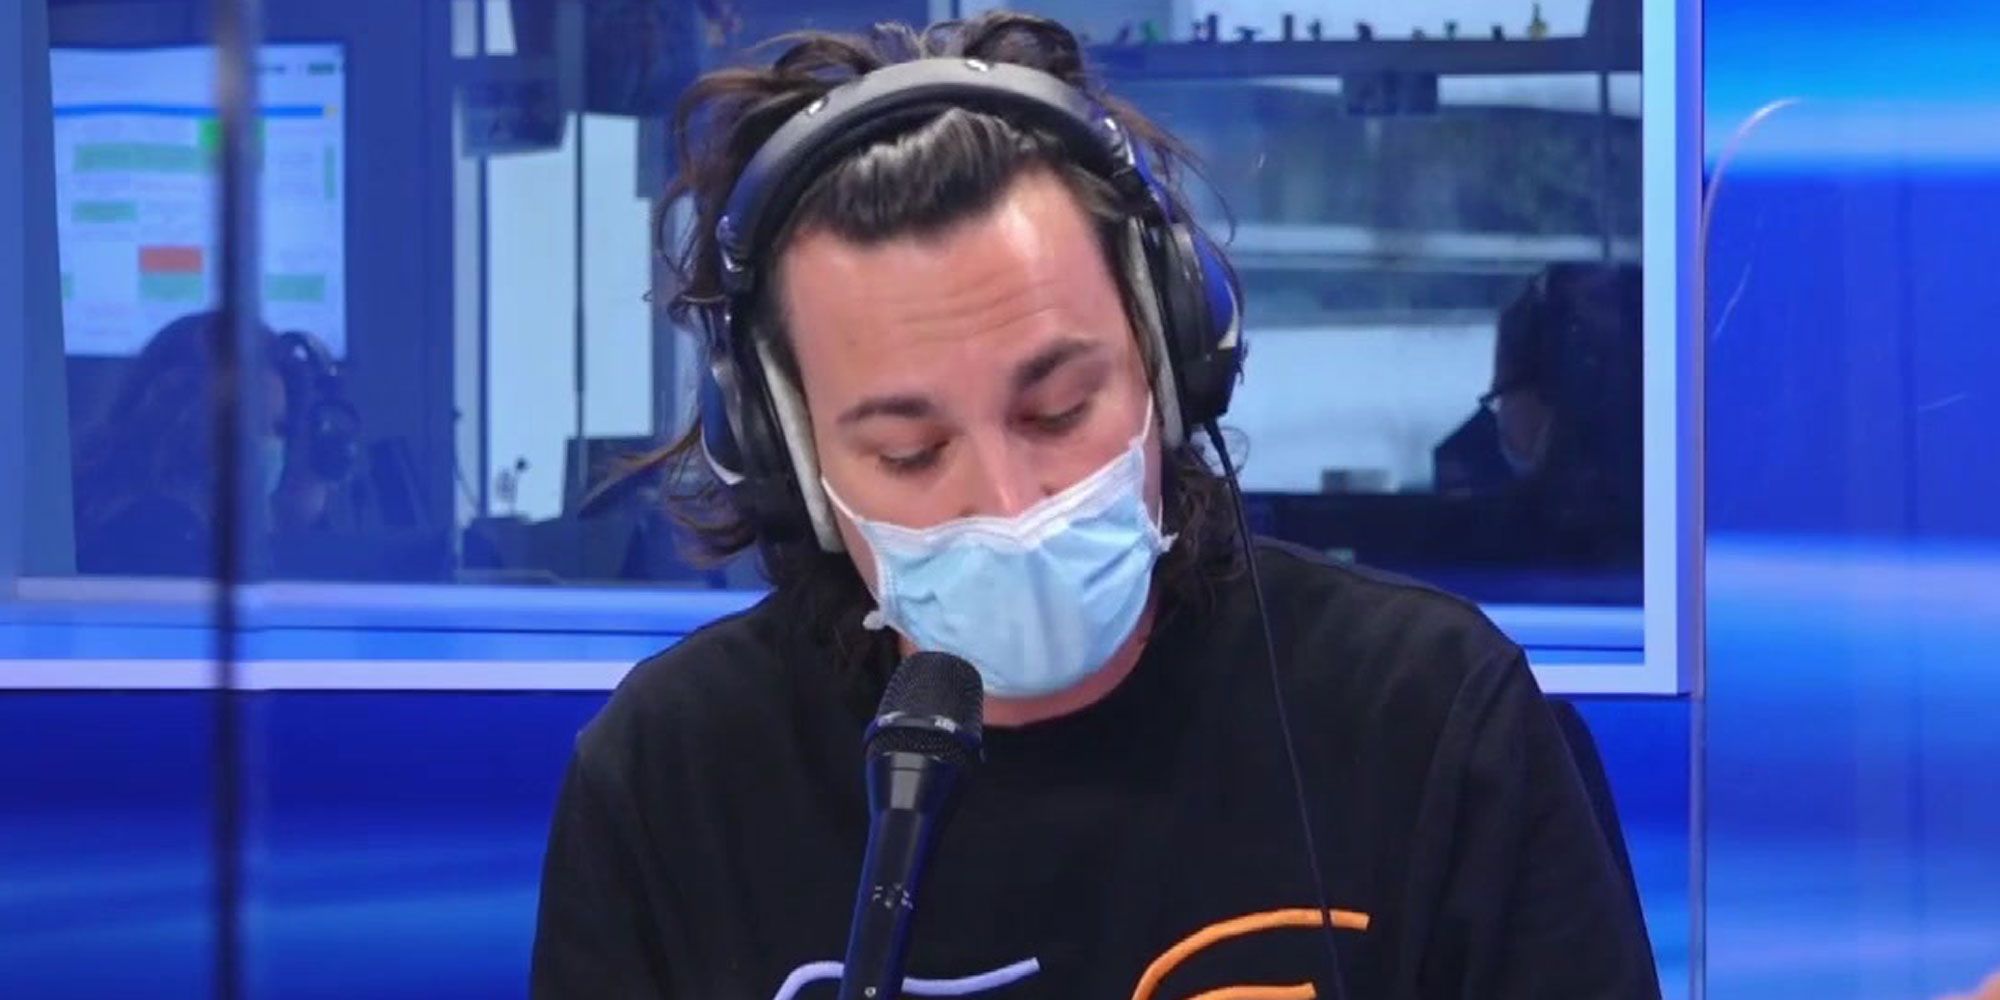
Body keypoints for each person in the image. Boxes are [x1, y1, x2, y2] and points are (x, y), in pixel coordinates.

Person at [532, 13, 1659, 998]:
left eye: (1059, 410)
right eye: (910, 452)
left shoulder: (1429, 722)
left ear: (1170, 365)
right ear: (789, 463)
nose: (1008, 502)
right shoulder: (671, 782)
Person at [71, 310, 353, 575]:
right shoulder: (159, 535)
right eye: (250, 423)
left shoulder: (202, 534)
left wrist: (298, 516)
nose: (269, 444)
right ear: (182, 421)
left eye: (279, 429)